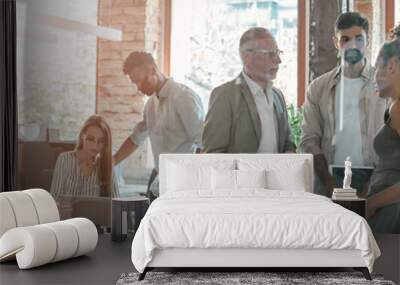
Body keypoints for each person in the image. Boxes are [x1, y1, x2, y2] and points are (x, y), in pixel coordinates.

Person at [300, 12, 386, 197]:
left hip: (376, 179)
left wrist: (374, 184)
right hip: (328, 180)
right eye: (345, 39)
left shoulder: (386, 86)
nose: (352, 45)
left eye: (359, 39)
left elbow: (393, 141)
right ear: (335, 42)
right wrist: (328, 182)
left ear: (368, 41)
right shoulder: (318, 88)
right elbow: (309, 140)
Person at [113, 52, 204, 199]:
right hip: (158, 175)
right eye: (135, 83)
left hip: (183, 178)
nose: (138, 87)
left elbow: (204, 143)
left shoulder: (184, 98)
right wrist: (112, 161)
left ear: (153, 70)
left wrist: (195, 181)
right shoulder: (150, 105)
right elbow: (136, 138)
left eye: (140, 81)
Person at [202, 27, 296, 153]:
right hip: (238, 173)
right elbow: (213, 154)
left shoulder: (277, 95)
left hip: (277, 173)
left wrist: (290, 154)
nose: (278, 60)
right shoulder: (225, 96)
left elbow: (287, 143)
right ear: (247, 57)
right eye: (271, 54)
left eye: (278, 53)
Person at [366, 29, 400, 233]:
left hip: (390, 211)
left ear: (392, 65)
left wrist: (372, 204)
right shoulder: (394, 106)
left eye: (377, 68)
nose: (374, 77)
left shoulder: (398, 109)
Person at [50, 115, 119, 201]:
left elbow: (116, 203)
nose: (95, 145)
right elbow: (54, 197)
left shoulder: (106, 165)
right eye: (90, 139)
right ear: (82, 136)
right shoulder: (64, 159)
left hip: (95, 214)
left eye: (100, 141)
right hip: (68, 214)